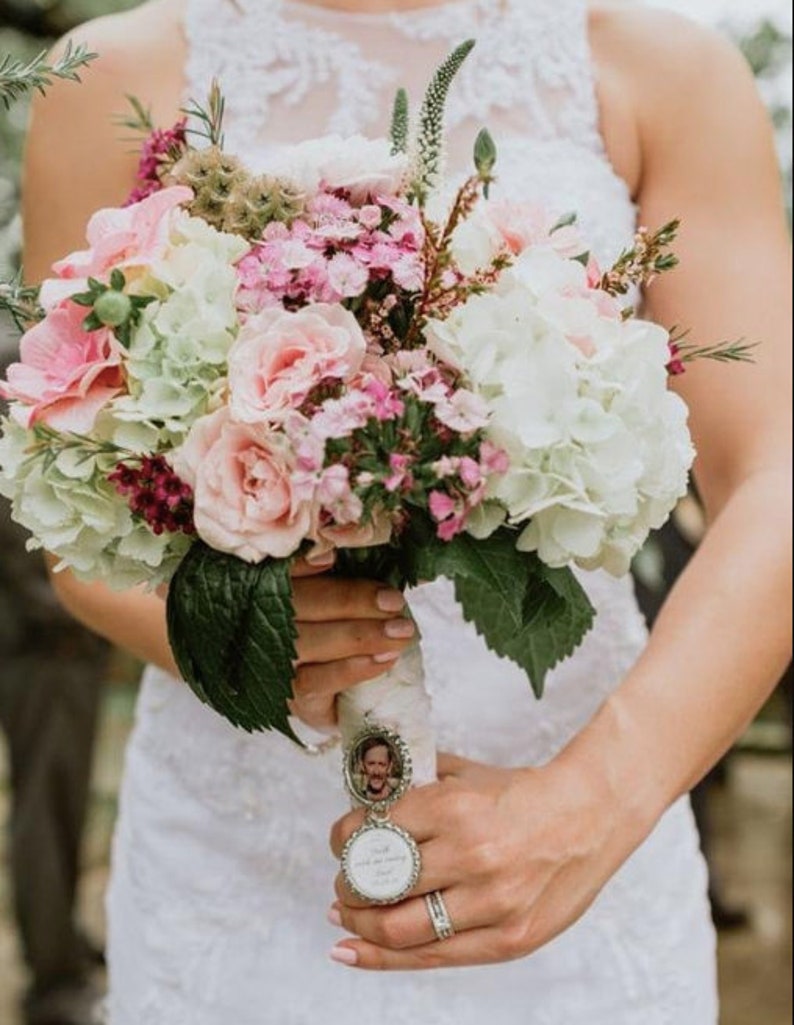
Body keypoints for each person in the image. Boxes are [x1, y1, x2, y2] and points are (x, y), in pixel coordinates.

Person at [17, 0, 791, 1021]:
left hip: (584, 855)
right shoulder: (107, 75)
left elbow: (773, 477)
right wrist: (233, 642)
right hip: (233, 872)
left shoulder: (661, 70)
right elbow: (73, 503)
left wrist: (596, 800)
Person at [0, 333, 108, 1025]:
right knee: (48, 803)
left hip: (45, 630)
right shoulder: (14, 355)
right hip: (43, 637)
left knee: (59, 796)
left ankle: (61, 938)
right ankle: (52, 980)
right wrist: (64, 614)